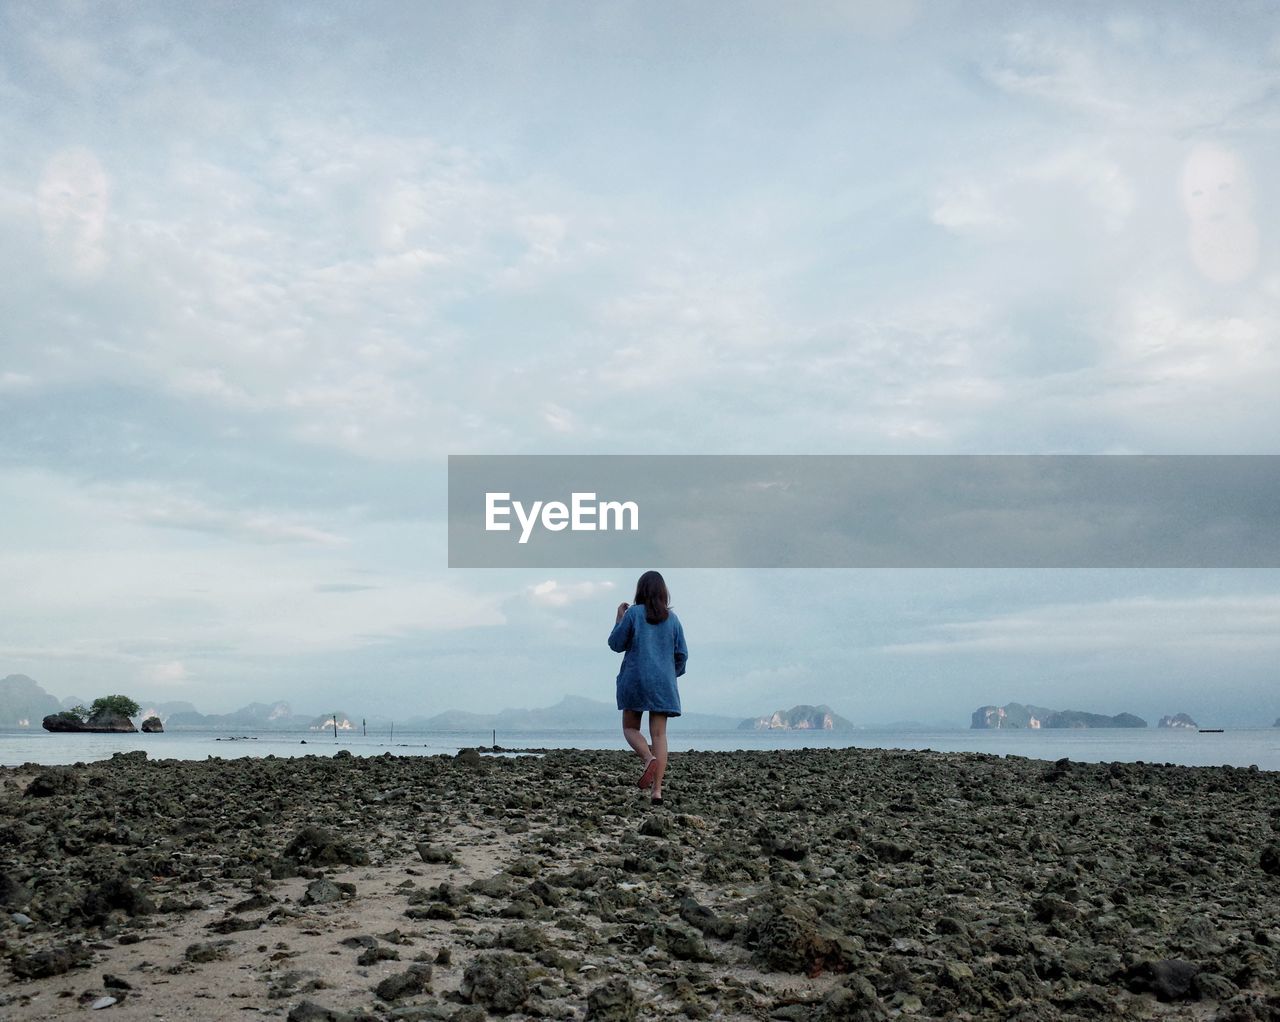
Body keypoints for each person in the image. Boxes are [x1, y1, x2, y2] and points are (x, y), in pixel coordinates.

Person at [608, 570, 688, 805]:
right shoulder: (673, 620)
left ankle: (647, 758)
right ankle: (657, 791)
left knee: (631, 728)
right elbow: (682, 654)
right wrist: (670, 674)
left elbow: (615, 644)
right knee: (660, 735)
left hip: (635, 680)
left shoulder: (633, 614)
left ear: (640, 591)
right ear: (664, 592)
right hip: (663, 684)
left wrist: (619, 618)